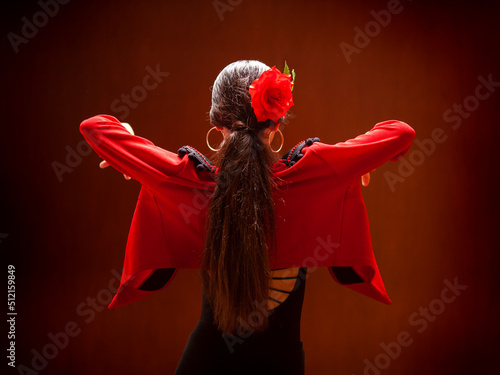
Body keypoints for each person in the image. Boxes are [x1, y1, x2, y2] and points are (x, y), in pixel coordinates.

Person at [80, 60, 415, 374]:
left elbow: (94, 127)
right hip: (282, 362)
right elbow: (400, 132)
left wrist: (125, 136)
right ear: (277, 121)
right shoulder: (318, 172)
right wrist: (353, 164)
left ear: (216, 125)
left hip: (207, 360)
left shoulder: (185, 180)